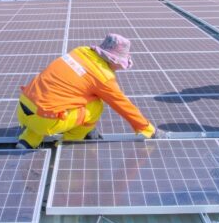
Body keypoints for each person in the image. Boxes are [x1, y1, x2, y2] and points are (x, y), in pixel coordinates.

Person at [15, 34, 165, 149]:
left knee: (54, 100)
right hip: (45, 120)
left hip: (23, 107)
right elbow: (123, 106)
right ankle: (68, 142)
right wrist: (147, 129)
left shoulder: (80, 51)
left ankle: (28, 139)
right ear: (113, 60)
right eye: (121, 63)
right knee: (96, 105)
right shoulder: (102, 76)